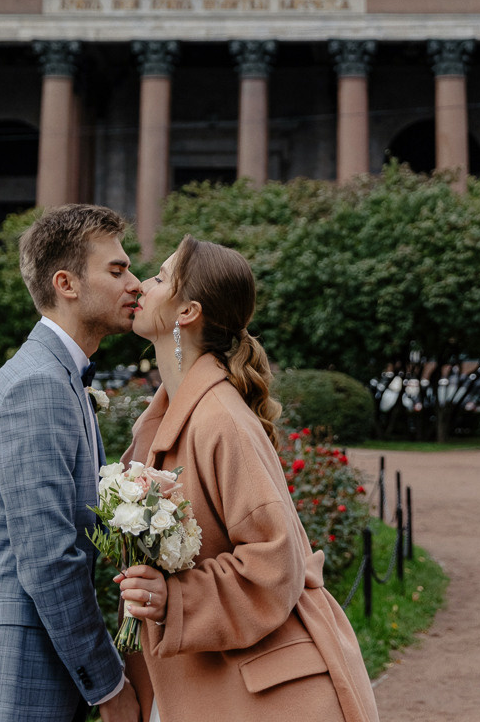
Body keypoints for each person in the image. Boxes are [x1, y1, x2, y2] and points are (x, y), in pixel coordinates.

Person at [117, 235, 378, 722]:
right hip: (207, 686)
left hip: (267, 698)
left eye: (159, 278)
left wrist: (175, 598)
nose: (141, 286)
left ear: (187, 312)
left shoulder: (221, 419)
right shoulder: (172, 415)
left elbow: (274, 562)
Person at [0, 205, 144, 722]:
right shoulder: (39, 385)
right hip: (6, 686)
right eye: (117, 270)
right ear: (66, 284)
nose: (135, 284)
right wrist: (109, 687)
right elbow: (49, 558)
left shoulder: (61, 377)